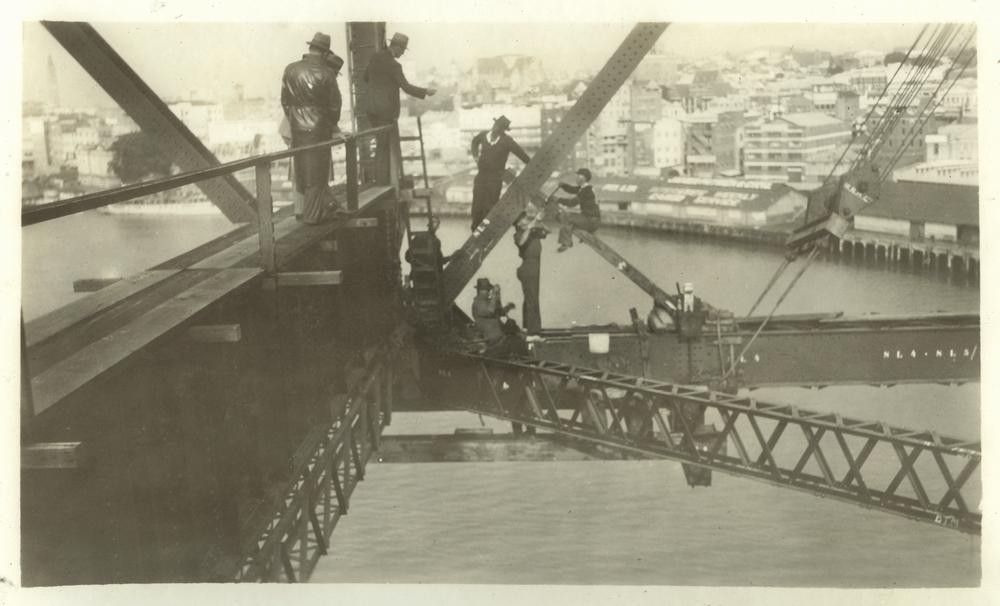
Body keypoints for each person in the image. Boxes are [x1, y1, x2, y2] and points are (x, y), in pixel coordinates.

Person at [281, 32, 345, 224]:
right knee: (318, 172)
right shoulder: (326, 73)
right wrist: (331, 124)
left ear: (310, 48)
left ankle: (314, 210)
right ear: (325, 53)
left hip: (297, 127)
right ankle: (312, 216)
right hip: (319, 128)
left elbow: (285, 101)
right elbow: (335, 105)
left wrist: (295, 118)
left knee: (302, 170)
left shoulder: (291, 69)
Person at [363, 33, 437, 184]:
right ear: (396, 47)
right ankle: (382, 183)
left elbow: (365, 77)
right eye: (402, 50)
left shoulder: (375, 57)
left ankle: (378, 179)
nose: (402, 54)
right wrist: (425, 92)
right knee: (383, 148)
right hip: (385, 112)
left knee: (379, 144)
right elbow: (406, 87)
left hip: (371, 109)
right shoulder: (394, 65)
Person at [469, 115, 532, 230]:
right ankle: (475, 227)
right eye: (495, 125)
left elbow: (520, 153)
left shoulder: (507, 141)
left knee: (491, 203)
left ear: (502, 130)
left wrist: (531, 164)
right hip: (481, 175)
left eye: (499, 127)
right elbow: (474, 142)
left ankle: (486, 227)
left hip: (495, 177)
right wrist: (475, 156)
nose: (495, 128)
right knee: (477, 202)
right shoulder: (483, 135)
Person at [513, 210, 549, 334]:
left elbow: (547, 231)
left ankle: (527, 327)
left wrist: (538, 221)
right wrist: (531, 225)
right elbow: (521, 242)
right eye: (523, 218)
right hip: (528, 267)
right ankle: (533, 332)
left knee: (530, 298)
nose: (526, 219)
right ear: (518, 224)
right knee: (532, 299)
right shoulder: (518, 234)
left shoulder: (532, 232)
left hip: (534, 266)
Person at [554, 168, 600, 252]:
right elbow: (573, 190)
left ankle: (566, 243)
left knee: (566, 217)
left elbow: (572, 203)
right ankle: (568, 241)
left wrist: (559, 200)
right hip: (591, 219)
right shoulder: (585, 188)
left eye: (579, 175)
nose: (577, 178)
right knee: (568, 217)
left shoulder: (586, 190)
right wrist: (563, 185)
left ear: (584, 178)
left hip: (590, 221)